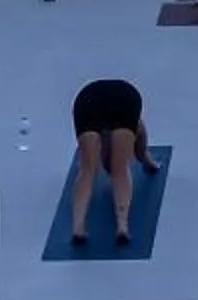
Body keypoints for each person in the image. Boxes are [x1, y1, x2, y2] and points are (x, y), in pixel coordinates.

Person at [68, 76, 158, 248]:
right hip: (120, 98)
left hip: (88, 100)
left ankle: (78, 227)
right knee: (120, 168)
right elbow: (139, 141)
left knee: (87, 170)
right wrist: (146, 159)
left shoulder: (105, 131)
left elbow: (94, 165)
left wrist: (146, 158)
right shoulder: (131, 123)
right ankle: (122, 226)